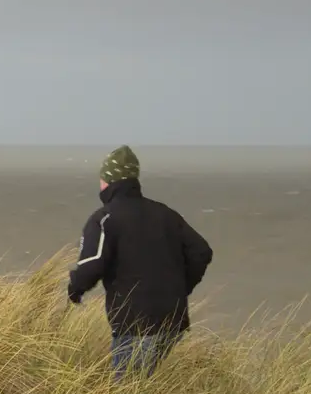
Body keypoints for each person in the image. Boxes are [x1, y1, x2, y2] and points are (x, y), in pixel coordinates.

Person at [68, 146, 214, 381]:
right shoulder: (166, 214)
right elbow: (201, 251)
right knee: (149, 387)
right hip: (173, 321)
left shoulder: (104, 219)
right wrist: (180, 287)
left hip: (135, 324)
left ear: (108, 180)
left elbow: (92, 265)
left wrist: (74, 289)